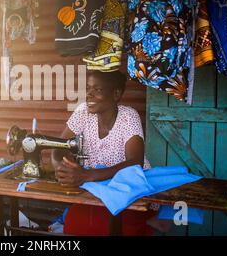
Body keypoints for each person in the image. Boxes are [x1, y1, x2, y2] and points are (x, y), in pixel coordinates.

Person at [54, 70, 156, 235]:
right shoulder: (83, 112)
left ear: (116, 93)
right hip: (96, 190)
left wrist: (87, 175)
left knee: (114, 226)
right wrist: (62, 169)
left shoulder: (128, 117)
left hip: (130, 187)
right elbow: (59, 147)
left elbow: (134, 162)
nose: (89, 94)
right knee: (74, 221)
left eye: (98, 90)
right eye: (88, 88)